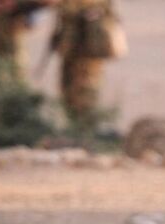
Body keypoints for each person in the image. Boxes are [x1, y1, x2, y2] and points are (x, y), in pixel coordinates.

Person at [51, 0, 125, 131]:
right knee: (68, 93)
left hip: (87, 51)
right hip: (71, 49)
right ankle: (76, 128)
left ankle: (85, 131)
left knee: (85, 93)